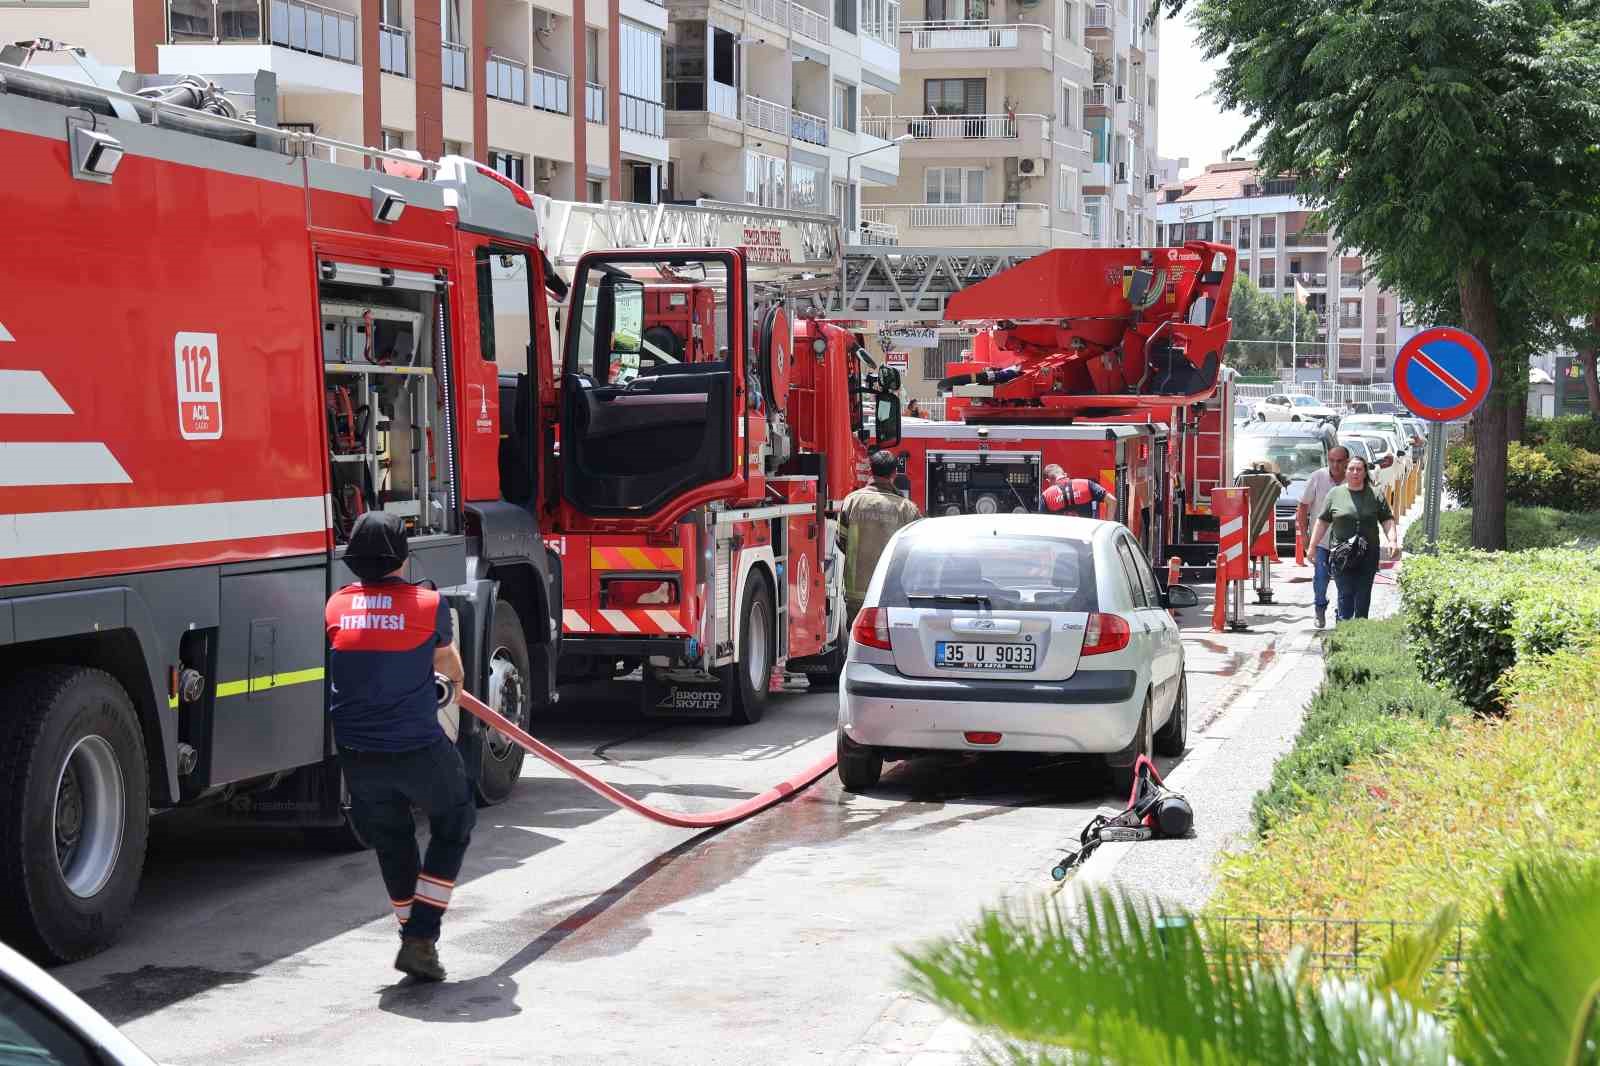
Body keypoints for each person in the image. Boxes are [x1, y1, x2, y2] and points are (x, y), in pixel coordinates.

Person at [325, 512, 473, 983]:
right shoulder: (430, 605)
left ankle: (414, 939)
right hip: (415, 747)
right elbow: (451, 670)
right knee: (455, 820)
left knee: (392, 840)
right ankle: (421, 935)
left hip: (356, 752)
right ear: (404, 558)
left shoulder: (335, 606)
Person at [1309, 455, 1400, 622]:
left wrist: (1392, 540)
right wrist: (1312, 546)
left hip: (1368, 554)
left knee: (1363, 597)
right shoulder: (1335, 493)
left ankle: (1359, 630)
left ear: (1365, 472)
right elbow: (1322, 522)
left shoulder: (1375, 494)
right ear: (1346, 472)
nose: (1355, 472)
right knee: (1345, 595)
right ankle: (1343, 629)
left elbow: (1387, 519)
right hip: (1342, 555)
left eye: (1359, 469)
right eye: (1351, 469)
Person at [839, 450, 922, 623]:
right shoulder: (907, 509)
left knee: (857, 641)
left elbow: (842, 542)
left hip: (857, 591)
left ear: (870, 470)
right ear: (894, 473)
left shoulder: (852, 501)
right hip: (891, 592)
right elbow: (917, 553)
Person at [1296, 445, 1350, 629]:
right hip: (1321, 541)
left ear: (1347, 462)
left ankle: (1341, 616)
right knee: (1321, 577)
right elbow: (1303, 507)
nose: (1335, 465)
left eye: (1339, 461)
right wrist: (1304, 536)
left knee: (1344, 580)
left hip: (1345, 543)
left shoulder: (1354, 479)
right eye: (1332, 461)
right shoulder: (1318, 477)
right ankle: (1320, 607)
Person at [1039, 463, 1117, 519]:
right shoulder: (1086, 484)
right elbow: (1112, 501)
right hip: (1085, 537)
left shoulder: (1046, 496)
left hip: (1060, 539)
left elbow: (1043, 522)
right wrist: (1108, 524)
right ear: (1065, 474)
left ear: (1048, 480)